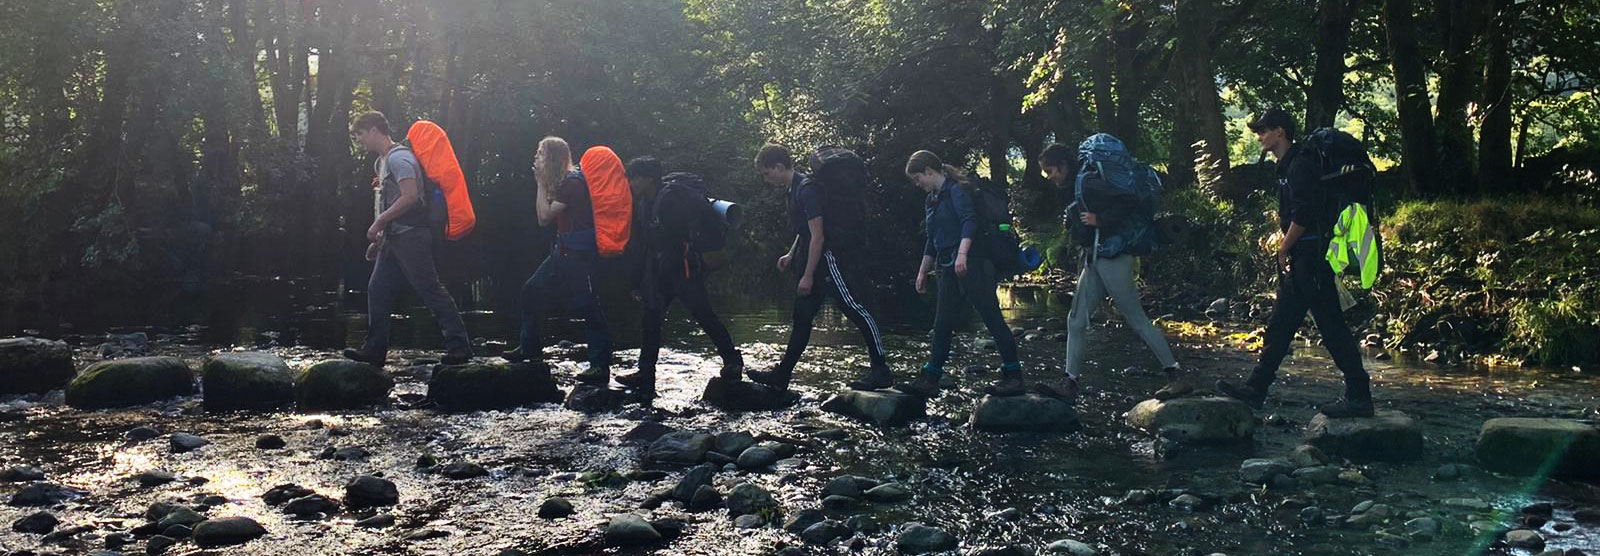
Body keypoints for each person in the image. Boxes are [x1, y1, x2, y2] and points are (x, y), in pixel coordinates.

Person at [1216, 109, 1373, 418]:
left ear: (1280, 132)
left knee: (1331, 328)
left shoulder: (1300, 165)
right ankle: (1256, 389)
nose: (1259, 135)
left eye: (1263, 130)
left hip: (1310, 259)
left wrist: (1283, 249)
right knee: (1281, 326)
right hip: (1305, 259)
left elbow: (1303, 213)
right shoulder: (1290, 165)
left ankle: (1359, 396)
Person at [1030, 140, 1190, 403]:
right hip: (1097, 256)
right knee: (1076, 320)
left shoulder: (1090, 182)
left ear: (1063, 165)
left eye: (1051, 171)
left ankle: (1176, 376)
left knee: (1136, 318)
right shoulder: (1078, 183)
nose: (1050, 177)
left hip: (1113, 256)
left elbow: (1129, 201)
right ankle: (1070, 382)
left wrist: (1100, 219)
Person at [746, 144, 893, 391]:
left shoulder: (807, 190)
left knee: (856, 309)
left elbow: (818, 236)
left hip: (829, 260)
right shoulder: (793, 189)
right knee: (801, 318)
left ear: (779, 167)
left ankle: (881, 370)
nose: (765, 178)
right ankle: (782, 375)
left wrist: (807, 276)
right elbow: (804, 230)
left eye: (766, 173)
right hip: (811, 259)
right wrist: (791, 254)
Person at [343, 111, 473, 367]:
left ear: (373, 130)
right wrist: (379, 238)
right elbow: (388, 201)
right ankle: (374, 350)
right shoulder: (382, 162)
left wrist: (379, 223)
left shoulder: (400, 159)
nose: (360, 142)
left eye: (360, 136)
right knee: (377, 289)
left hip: (412, 237)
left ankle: (459, 347)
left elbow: (410, 196)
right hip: (394, 238)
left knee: (430, 289)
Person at [614, 156, 745, 400]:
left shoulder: (671, 200)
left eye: (634, 178)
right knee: (650, 320)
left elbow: (687, 236)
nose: (630, 182)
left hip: (683, 270)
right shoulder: (644, 203)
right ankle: (645, 374)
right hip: (660, 271)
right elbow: (642, 244)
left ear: (649, 179)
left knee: (703, 314)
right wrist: (635, 282)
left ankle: (732, 361)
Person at [895, 151, 1024, 398]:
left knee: (991, 316)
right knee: (942, 322)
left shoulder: (957, 190)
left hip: (972, 262)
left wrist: (963, 254)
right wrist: (922, 271)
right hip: (947, 265)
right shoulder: (932, 199)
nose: (917, 183)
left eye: (918, 178)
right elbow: (932, 239)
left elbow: (969, 221)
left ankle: (1014, 376)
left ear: (930, 172)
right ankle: (931, 377)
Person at [502, 137, 614, 384]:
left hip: (580, 256)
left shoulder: (572, 184)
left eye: (540, 154)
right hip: (562, 253)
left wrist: (540, 184)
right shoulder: (566, 183)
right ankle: (529, 348)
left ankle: (600, 366)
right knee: (531, 291)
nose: (536, 158)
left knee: (588, 306)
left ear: (552, 158)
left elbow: (543, 217)